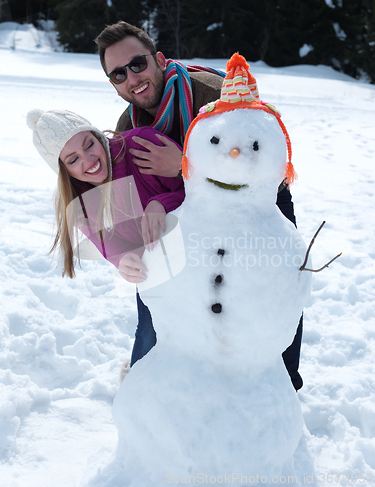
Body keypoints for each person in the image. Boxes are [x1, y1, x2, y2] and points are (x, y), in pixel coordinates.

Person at [95, 21, 304, 390]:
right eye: (118, 74)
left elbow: (261, 159)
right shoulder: (127, 124)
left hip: (256, 202)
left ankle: (281, 384)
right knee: (157, 283)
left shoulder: (214, 97)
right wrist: (125, 252)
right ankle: (147, 380)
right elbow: (120, 204)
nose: (132, 78)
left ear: (159, 59)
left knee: (273, 282)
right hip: (185, 211)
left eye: (138, 64)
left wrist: (182, 165)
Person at [26, 109, 185, 372]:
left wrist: (162, 203)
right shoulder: (81, 204)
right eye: (73, 159)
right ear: (64, 170)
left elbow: (201, 190)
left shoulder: (140, 146)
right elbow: (111, 247)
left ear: (98, 135)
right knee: (150, 335)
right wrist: (125, 261)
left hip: (204, 253)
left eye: (89, 144)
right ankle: (141, 390)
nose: (89, 160)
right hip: (159, 274)